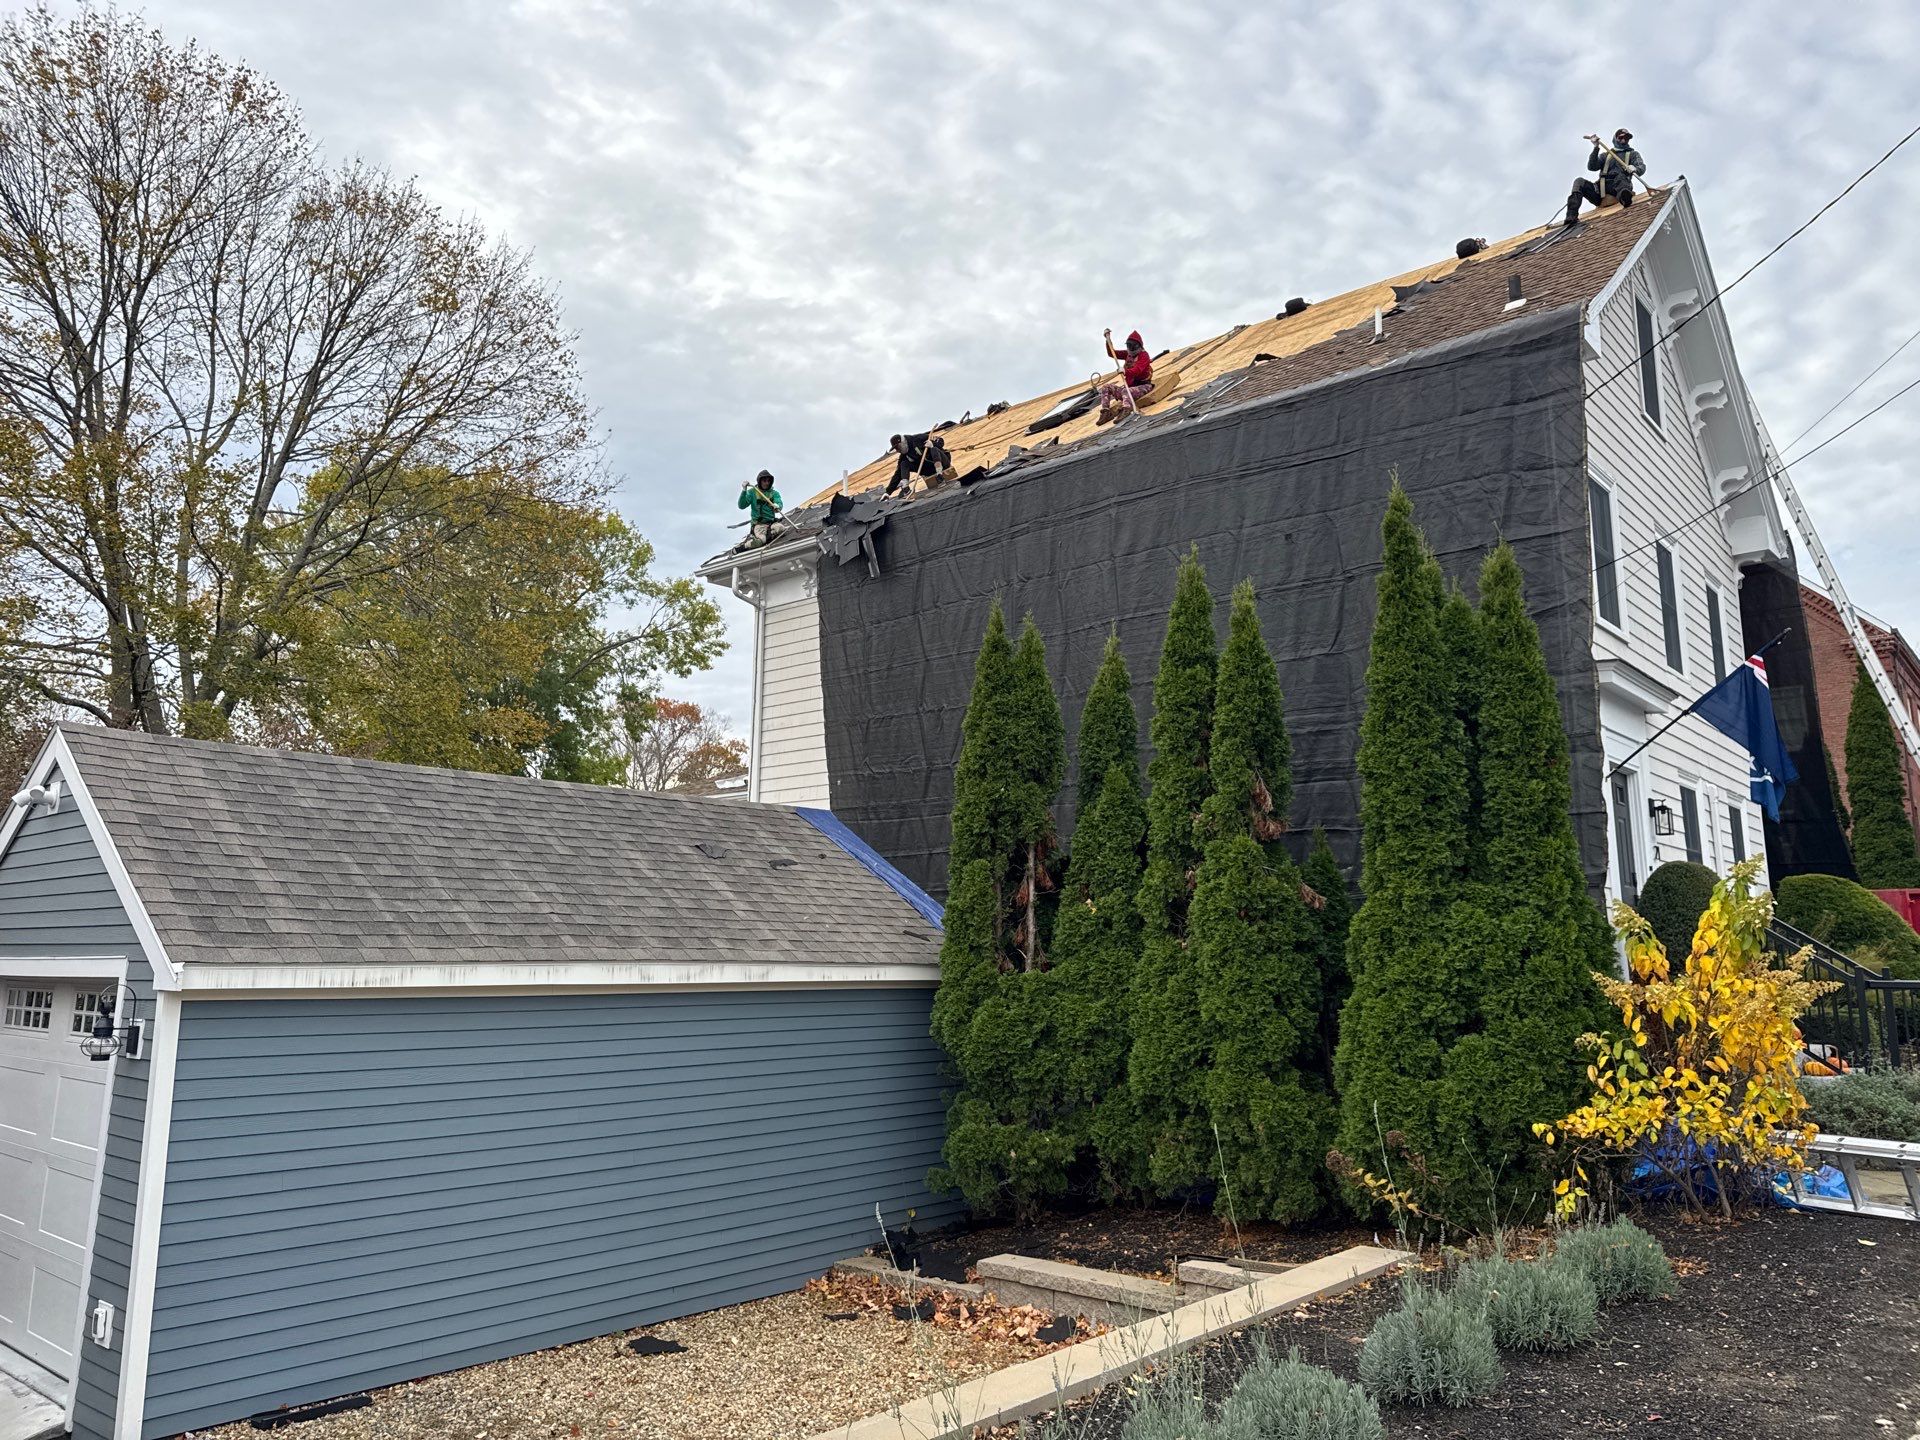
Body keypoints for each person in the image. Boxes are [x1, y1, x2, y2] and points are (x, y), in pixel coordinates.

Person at [1565, 129, 1645, 227]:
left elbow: (1641, 167)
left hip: (1619, 188)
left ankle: (1625, 199)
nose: (1623, 140)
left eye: (1626, 138)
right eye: (1620, 138)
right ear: (1615, 139)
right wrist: (1596, 147)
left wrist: (1635, 168)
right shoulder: (1606, 155)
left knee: (1620, 177)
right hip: (1601, 192)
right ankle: (1571, 216)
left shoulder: (1633, 154)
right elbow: (1592, 167)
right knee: (1579, 182)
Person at [1095, 328, 1153, 425]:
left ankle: (1126, 409)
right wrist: (1108, 340)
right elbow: (1112, 353)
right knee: (1106, 387)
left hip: (1143, 386)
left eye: (1132, 347)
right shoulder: (1128, 354)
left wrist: (1125, 371)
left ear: (1138, 346)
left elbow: (1137, 370)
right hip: (1128, 388)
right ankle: (1106, 412)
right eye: (1129, 346)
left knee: (1126, 391)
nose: (1130, 350)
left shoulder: (1144, 356)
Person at [885, 431, 952, 495]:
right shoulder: (904, 456)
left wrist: (933, 444)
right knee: (903, 464)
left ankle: (940, 476)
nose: (898, 450)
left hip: (943, 464)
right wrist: (888, 492)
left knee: (934, 449)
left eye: (898, 447)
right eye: (896, 449)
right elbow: (898, 473)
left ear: (902, 443)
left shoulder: (918, 438)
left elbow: (940, 440)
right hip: (928, 470)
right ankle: (905, 488)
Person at [737, 469, 783, 547]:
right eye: (764, 481)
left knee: (780, 528)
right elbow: (741, 505)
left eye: (768, 481)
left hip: (771, 523)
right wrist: (744, 490)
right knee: (762, 539)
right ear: (759, 481)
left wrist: (777, 505)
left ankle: (768, 536)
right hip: (759, 525)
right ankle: (744, 547)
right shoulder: (752, 492)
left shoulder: (774, 493)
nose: (767, 483)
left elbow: (779, 502)